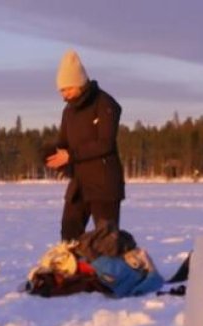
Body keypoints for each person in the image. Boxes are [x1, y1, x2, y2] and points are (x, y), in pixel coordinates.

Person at [45, 49, 126, 257]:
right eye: (61, 91)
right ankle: (74, 273)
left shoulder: (106, 104)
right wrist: (53, 156)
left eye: (68, 89)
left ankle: (109, 278)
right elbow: (64, 143)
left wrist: (71, 156)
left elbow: (105, 144)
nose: (64, 95)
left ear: (80, 82)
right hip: (79, 183)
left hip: (104, 183)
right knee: (69, 233)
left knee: (106, 239)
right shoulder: (68, 111)